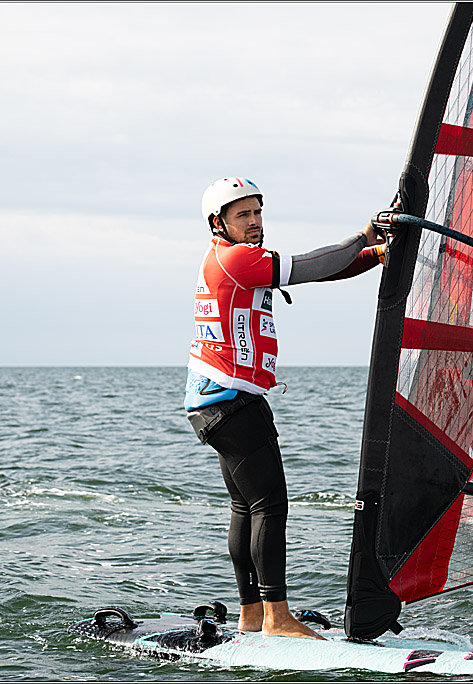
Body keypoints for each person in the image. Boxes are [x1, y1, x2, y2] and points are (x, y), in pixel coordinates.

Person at [185, 177, 384, 639]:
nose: (254, 222)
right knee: (270, 507)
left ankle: (252, 613)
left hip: (213, 403)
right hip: (233, 403)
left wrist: (373, 256)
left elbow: (323, 270)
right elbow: (315, 263)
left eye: (258, 212)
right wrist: (364, 236)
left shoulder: (232, 259)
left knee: (246, 507)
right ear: (218, 223)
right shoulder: (235, 259)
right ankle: (277, 616)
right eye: (243, 215)